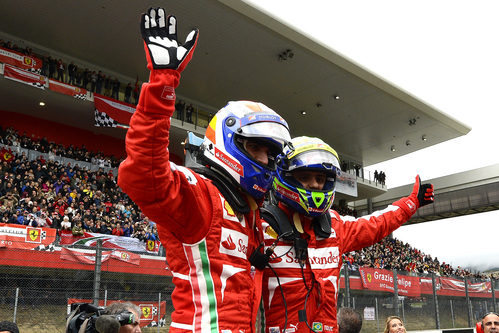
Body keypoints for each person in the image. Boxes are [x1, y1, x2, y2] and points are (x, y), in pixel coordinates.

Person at [118, 7, 291, 333]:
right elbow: (143, 173)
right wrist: (163, 83)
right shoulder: (201, 194)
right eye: (256, 148)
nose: (266, 161)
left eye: (270, 153)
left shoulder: (246, 210)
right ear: (228, 144)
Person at [259, 136, 434, 333]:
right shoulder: (262, 226)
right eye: (305, 177)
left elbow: (375, 224)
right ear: (287, 176)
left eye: (320, 179)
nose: (315, 185)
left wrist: (411, 204)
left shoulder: (334, 225)